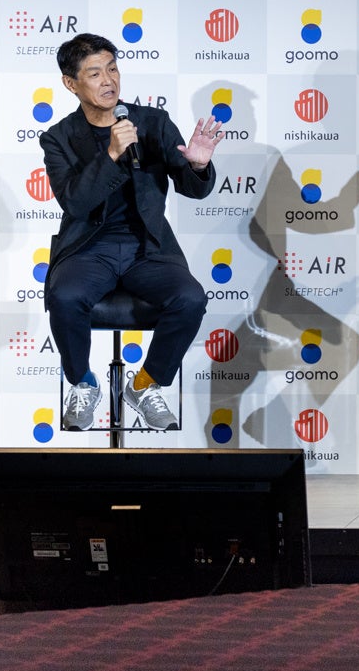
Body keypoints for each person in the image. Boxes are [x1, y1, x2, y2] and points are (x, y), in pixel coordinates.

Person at [41, 33, 224, 431]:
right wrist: (111, 154)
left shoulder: (153, 123)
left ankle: (144, 384)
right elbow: (74, 203)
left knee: (190, 298)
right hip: (89, 248)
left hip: (149, 247)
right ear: (71, 84)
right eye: (95, 73)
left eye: (112, 69)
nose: (108, 80)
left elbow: (192, 189)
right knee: (65, 296)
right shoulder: (58, 138)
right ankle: (83, 382)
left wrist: (197, 165)